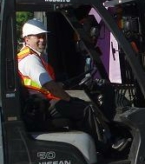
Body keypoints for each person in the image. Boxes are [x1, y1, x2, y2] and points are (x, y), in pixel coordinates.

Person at [17, 19, 129, 153]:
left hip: (39, 103)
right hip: (41, 106)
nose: (42, 40)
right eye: (38, 37)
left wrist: (62, 85)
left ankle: (90, 143)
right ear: (27, 39)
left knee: (78, 104)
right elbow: (50, 86)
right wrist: (68, 98)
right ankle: (105, 147)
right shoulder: (31, 59)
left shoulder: (31, 56)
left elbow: (44, 84)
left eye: (44, 36)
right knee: (85, 108)